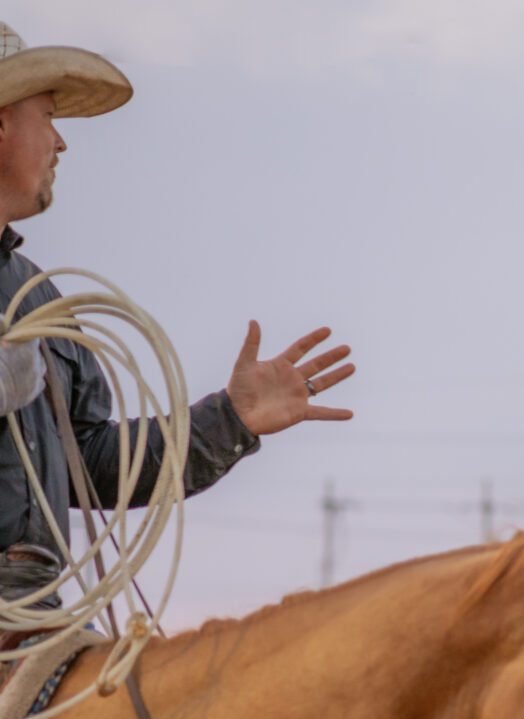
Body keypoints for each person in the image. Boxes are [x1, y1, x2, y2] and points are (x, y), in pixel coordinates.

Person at [0, 24, 353, 602]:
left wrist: (230, 419)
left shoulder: (39, 301)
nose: (61, 143)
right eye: (48, 117)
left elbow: (92, 468)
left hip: (34, 610)